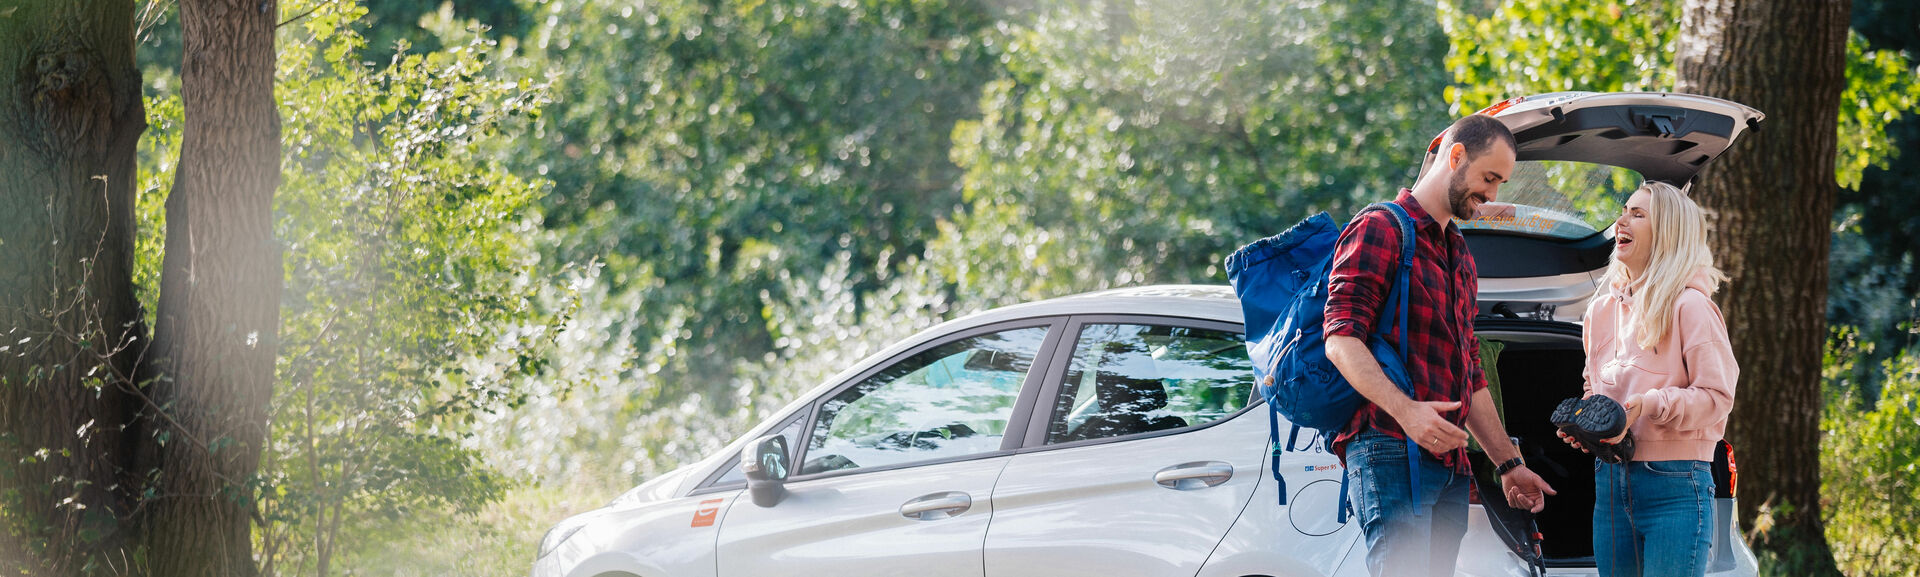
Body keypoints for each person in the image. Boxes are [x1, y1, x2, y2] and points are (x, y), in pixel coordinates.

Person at [1323, 113, 1557, 577]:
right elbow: (1340, 338)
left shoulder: (1459, 253)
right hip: (1390, 449)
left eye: (1501, 183)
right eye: (1489, 178)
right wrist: (1407, 411)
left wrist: (1508, 465)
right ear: (1455, 156)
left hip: (1449, 463)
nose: (1493, 195)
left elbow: (1469, 368)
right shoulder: (1381, 228)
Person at [1560, 181, 1738, 577]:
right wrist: (1590, 425)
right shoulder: (1600, 312)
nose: (1621, 220)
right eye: (1624, 210)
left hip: (1674, 486)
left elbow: (1716, 397)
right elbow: (1595, 388)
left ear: (1668, 232)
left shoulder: (1692, 306)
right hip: (1609, 480)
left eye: (1638, 214)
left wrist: (1651, 404)